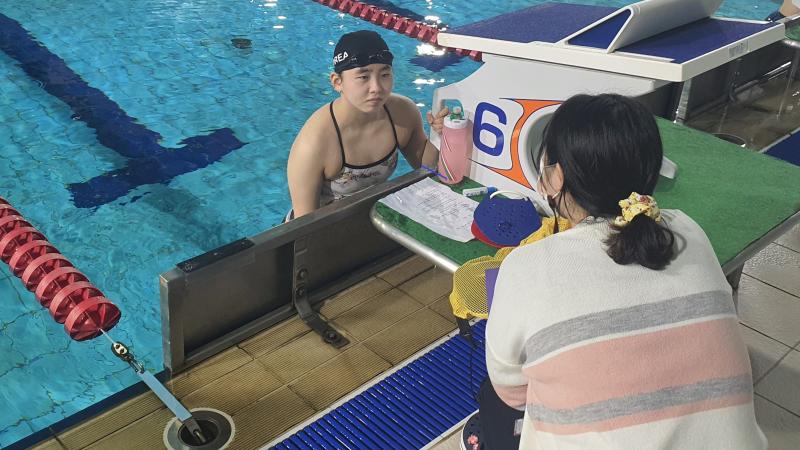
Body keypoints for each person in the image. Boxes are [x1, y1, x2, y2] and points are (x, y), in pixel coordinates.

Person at [476, 94, 766, 449]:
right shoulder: (687, 229)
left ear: (557, 176)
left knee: (493, 398)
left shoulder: (525, 266)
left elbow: (511, 390)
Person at [286, 30, 448, 220]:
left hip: (372, 219)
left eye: (385, 74)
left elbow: (428, 170)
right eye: (363, 77)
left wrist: (443, 135)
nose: (377, 88)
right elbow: (303, 227)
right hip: (320, 232)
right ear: (337, 82)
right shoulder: (315, 142)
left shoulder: (402, 112)